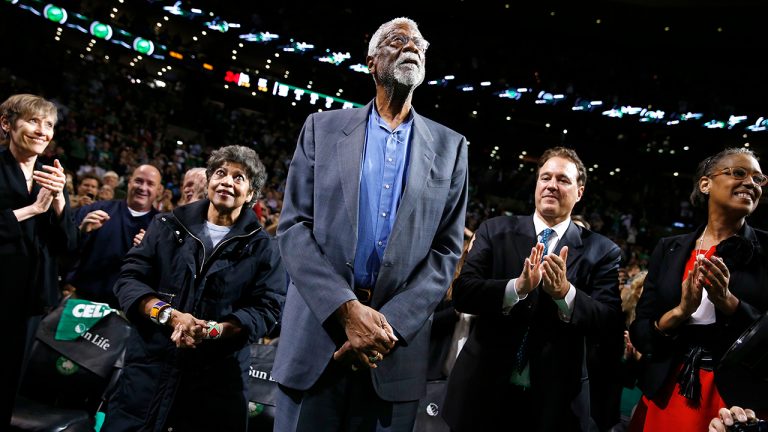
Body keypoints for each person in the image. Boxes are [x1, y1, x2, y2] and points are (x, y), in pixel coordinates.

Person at [273, 17, 468, 432]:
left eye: (419, 43)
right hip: (317, 342)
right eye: (398, 41)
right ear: (371, 62)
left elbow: (446, 253)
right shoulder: (321, 129)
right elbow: (292, 229)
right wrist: (346, 311)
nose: (411, 47)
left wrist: (385, 326)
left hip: (391, 355)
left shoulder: (452, 148)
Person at [103, 145, 286, 431]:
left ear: (251, 194)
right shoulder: (166, 225)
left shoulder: (264, 247)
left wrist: (212, 330)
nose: (227, 181)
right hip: (149, 368)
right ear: (210, 181)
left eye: (239, 178)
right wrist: (169, 315)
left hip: (216, 379)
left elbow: (268, 308)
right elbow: (129, 279)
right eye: (221, 173)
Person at [443, 147, 623, 431]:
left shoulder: (602, 251)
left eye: (563, 179)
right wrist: (516, 288)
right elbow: (464, 293)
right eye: (545, 177)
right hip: (481, 393)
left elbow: (610, 322)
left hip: (554, 404)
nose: (551, 185)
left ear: (580, 192)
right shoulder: (494, 230)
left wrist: (565, 293)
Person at [629, 148, 768, 431]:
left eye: (758, 178)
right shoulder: (668, 249)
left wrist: (730, 303)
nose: (751, 183)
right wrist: (680, 312)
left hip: (735, 401)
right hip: (667, 390)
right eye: (739, 173)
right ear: (705, 184)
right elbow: (641, 332)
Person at [0, 94, 77, 425]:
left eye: (48, 125)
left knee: (9, 378)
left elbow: (68, 243)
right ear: (7, 124)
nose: (42, 131)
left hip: (31, 297)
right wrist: (32, 210)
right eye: (33, 121)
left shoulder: (52, 177)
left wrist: (59, 200)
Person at [61, 164, 162, 307]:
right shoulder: (96, 209)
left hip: (129, 310)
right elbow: (64, 248)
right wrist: (81, 231)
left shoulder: (164, 228)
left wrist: (153, 252)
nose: (143, 187)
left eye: (150, 184)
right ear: (129, 183)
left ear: (158, 190)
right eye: (138, 181)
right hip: (83, 301)